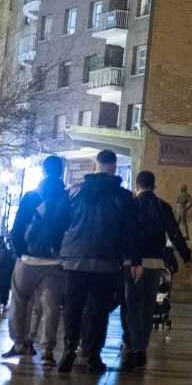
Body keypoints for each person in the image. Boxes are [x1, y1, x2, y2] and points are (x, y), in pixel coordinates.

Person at [54, 150, 141, 372]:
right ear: (114, 167)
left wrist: (58, 248)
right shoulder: (123, 197)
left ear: (96, 165)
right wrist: (134, 260)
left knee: (73, 308)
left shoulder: (74, 191)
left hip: (75, 261)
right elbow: (131, 231)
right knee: (99, 311)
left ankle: (68, 352)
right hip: (107, 263)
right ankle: (93, 355)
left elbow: (59, 222)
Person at [123, 169, 191, 369]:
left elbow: (127, 234)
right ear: (154, 186)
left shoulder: (131, 205)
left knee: (131, 307)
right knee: (146, 308)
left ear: (137, 185)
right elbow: (175, 233)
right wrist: (186, 256)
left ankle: (133, 347)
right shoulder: (163, 207)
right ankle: (141, 349)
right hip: (154, 264)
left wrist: (131, 259)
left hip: (131, 263)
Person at [5, 155, 69, 364]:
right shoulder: (66, 196)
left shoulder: (31, 195)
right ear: (61, 172)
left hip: (28, 259)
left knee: (19, 302)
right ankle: (46, 352)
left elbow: (17, 226)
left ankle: (19, 343)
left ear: (43, 171)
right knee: (51, 308)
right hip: (54, 261)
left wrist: (20, 250)